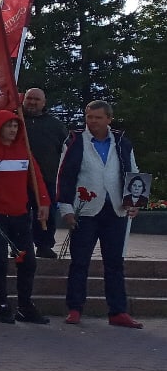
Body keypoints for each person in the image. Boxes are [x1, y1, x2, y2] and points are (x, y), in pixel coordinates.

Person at [56, 100, 143, 328]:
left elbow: (133, 173)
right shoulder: (75, 141)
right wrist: (66, 208)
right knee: (80, 262)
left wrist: (134, 202)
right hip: (85, 210)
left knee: (114, 263)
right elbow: (64, 176)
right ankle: (75, 309)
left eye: (97, 117)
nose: (92, 121)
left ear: (109, 119)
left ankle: (118, 312)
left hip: (116, 209)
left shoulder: (122, 142)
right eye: (89, 116)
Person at [0, 109, 50, 325]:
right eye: (9, 126)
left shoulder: (24, 150)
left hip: (20, 215)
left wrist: (44, 202)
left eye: (16, 126)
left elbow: (36, 179)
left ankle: (25, 305)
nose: (13, 130)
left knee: (28, 262)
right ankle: (3, 304)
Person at [22, 88, 65, 258]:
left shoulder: (55, 125)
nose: (32, 102)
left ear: (44, 102)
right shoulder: (16, 121)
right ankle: (21, 245)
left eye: (36, 99)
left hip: (47, 178)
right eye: (29, 98)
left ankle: (44, 244)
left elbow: (64, 150)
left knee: (47, 214)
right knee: (21, 214)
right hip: (19, 178)